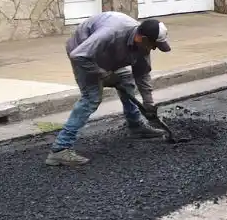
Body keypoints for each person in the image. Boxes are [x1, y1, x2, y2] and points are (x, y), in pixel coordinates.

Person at [46, 12, 171, 167]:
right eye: (154, 45)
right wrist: (104, 75)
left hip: (109, 53)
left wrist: (148, 103)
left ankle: (136, 126)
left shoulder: (142, 44)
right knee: (91, 98)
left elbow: (142, 73)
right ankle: (60, 149)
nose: (155, 49)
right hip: (84, 54)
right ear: (143, 39)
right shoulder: (110, 33)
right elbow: (78, 55)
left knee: (127, 81)